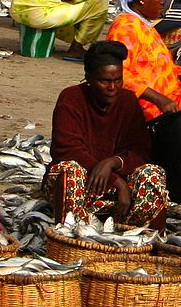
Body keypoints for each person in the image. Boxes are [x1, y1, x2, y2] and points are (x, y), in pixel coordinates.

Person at [47, 41, 169, 228]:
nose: (112, 87)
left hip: (120, 184)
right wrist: (115, 181)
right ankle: (68, 233)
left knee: (153, 173)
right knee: (68, 170)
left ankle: (148, 240)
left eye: (117, 80)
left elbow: (140, 150)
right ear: (89, 78)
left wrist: (112, 163)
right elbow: (67, 149)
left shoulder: (128, 100)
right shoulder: (71, 98)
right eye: (104, 81)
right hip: (85, 180)